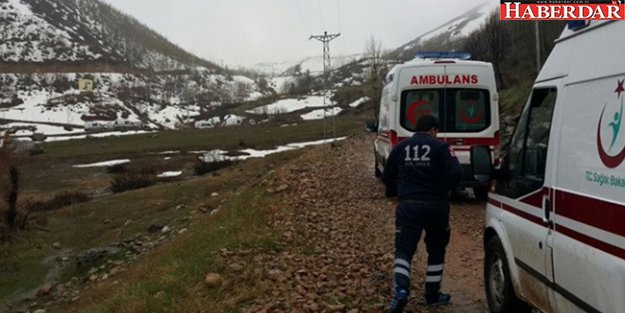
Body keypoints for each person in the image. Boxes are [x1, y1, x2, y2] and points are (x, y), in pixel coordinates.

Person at [382, 115, 463, 312]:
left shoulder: (400, 148)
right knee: (436, 249)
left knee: (404, 250)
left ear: (416, 128)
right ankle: (432, 294)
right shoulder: (441, 147)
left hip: (408, 205)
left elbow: (387, 175)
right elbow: (456, 173)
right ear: (434, 130)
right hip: (436, 206)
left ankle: (401, 290)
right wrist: (444, 190)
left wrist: (394, 192)